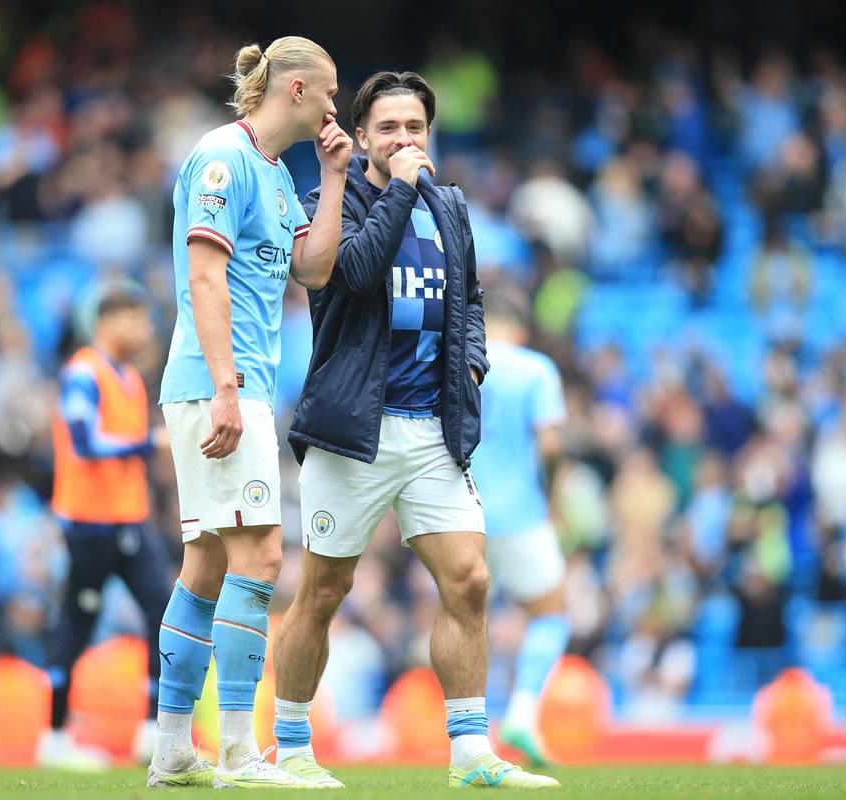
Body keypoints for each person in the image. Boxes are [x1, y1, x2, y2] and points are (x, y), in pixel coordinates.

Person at [271, 70, 558, 789]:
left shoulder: (451, 206)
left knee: (470, 580)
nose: (405, 140)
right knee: (324, 591)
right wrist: (398, 186)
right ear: (362, 135)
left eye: (416, 128)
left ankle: (470, 755)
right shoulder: (329, 199)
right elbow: (358, 273)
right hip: (354, 432)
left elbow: (468, 298)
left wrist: (473, 368)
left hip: (431, 429)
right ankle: (291, 745)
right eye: (390, 128)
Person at [149, 36, 351, 789]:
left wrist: (332, 179)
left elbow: (316, 269)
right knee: (261, 558)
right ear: (296, 89)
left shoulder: (272, 176)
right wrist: (229, 388)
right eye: (329, 92)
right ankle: (240, 751)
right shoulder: (220, 158)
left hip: (235, 384)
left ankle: (172, 747)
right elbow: (203, 277)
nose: (337, 107)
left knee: (205, 565)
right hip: (217, 382)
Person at [38, 281, 171, 770]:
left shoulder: (130, 378)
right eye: (134, 318)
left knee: (165, 614)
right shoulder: (83, 374)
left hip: (129, 521)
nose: (143, 328)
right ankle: (53, 738)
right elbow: (83, 442)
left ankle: (153, 730)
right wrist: (146, 444)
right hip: (90, 526)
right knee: (77, 626)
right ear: (107, 322)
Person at [469, 286, 571, 766]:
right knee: (550, 615)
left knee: (463, 619)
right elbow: (550, 447)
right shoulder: (536, 369)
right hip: (523, 514)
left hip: (464, 513)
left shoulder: (460, 364)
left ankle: (466, 731)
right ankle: (523, 713)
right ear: (523, 327)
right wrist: (553, 500)